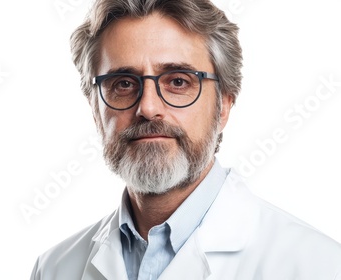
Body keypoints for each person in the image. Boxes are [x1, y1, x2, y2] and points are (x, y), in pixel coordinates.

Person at [31, 0, 341, 279]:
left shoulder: (318, 266)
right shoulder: (55, 269)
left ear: (223, 105)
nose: (148, 108)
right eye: (123, 83)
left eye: (178, 81)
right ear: (94, 109)